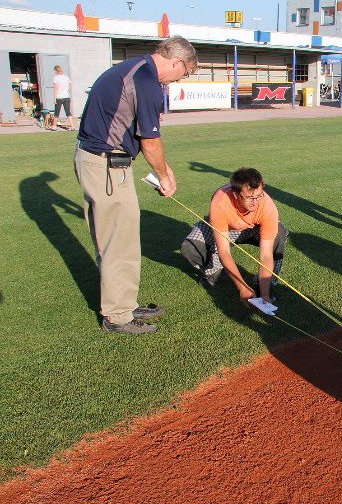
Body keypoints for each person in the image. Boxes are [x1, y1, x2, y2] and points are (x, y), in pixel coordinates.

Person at [74, 36, 197, 334]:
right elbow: (150, 140)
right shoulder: (146, 82)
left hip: (101, 162)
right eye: (184, 73)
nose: (178, 80)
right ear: (176, 62)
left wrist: (166, 169)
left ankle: (124, 304)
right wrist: (164, 177)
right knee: (118, 242)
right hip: (106, 166)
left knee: (119, 238)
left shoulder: (133, 68)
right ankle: (118, 316)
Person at [181, 167, 287, 304]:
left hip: (252, 228)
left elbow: (266, 255)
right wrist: (242, 288)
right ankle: (213, 272)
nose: (255, 202)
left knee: (279, 234)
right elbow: (224, 251)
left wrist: (265, 294)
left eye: (259, 195)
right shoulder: (220, 202)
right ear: (236, 195)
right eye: (249, 197)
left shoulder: (267, 206)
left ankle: (264, 284)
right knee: (190, 247)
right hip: (226, 229)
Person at [50, 65, 75, 130]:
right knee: (68, 112)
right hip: (67, 96)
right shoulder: (66, 77)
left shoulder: (56, 78)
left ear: (56, 71)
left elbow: (56, 89)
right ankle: (72, 126)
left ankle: (54, 126)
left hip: (59, 97)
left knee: (56, 112)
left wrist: (54, 99)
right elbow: (68, 88)